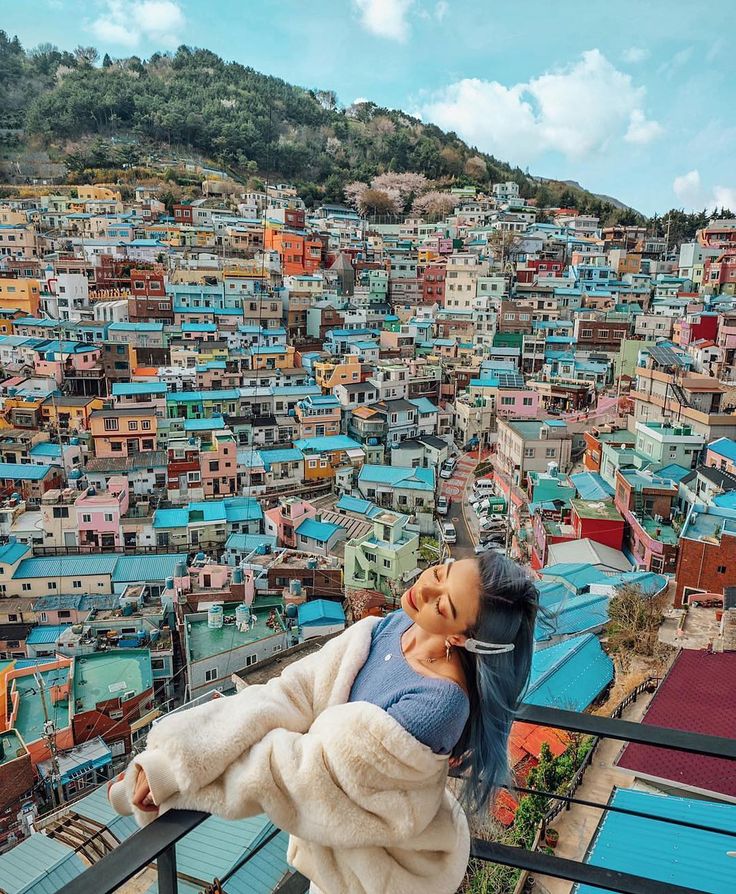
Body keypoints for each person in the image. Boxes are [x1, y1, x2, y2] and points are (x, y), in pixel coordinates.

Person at [109, 553, 538, 894]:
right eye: (441, 571)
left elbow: (301, 775)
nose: (425, 586)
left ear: (461, 638)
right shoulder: (391, 627)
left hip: (379, 877)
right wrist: (178, 753)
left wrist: (180, 776)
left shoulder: (438, 703)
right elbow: (291, 692)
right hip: (338, 859)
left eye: (441, 604)